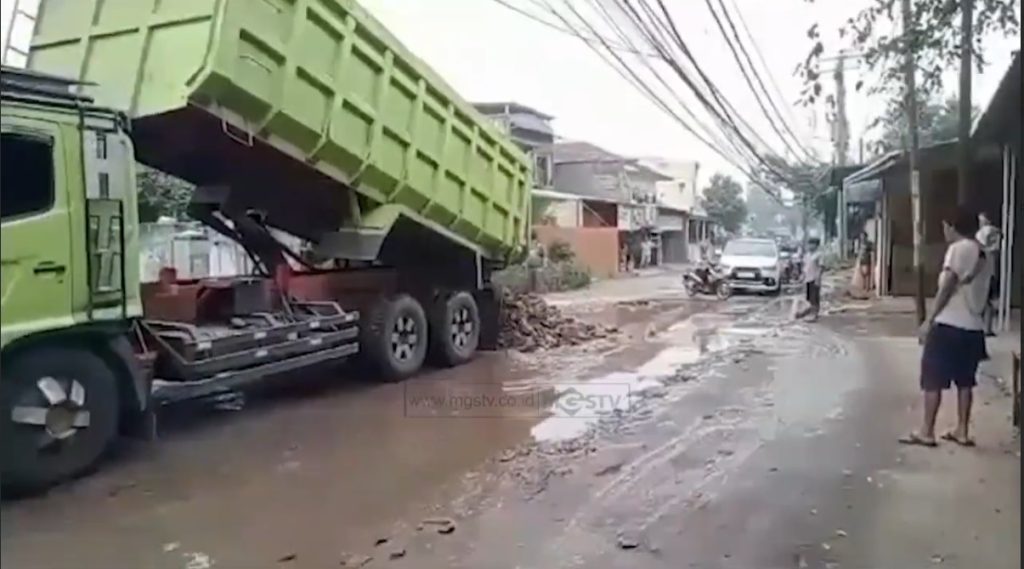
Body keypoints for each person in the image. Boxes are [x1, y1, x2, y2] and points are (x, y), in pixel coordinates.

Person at [900, 207, 992, 448]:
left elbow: (948, 285)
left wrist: (929, 320)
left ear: (952, 226)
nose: (944, 231)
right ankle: (962, 430)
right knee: (965, 380)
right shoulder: (983, 253)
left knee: (933, 378)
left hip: (948, 325)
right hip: (973, 328)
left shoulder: (957, 249)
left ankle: (927, 431)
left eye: (945, 226)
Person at [976, 211, 1001, 336]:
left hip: (984, 272)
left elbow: (981, 250)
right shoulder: (995, 232)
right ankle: (988, 327)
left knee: (984, 301)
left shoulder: (983, 233)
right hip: (991, 270)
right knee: (990, 302)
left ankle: (983, 327)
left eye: (981, 220)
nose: (980, 223)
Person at [795, 237, 823, 321]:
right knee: (808, 298)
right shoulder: (807, 255)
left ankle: (814, 314)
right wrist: (801, 277)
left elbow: (821, 267)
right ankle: (807, 312)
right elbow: (805, 267)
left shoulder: (819, 255)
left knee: (814, 298)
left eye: (812, 244)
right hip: (807, 278)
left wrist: (818, 277)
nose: (810, 246)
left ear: (816, 245)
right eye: (809, 244)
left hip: (814, 278)